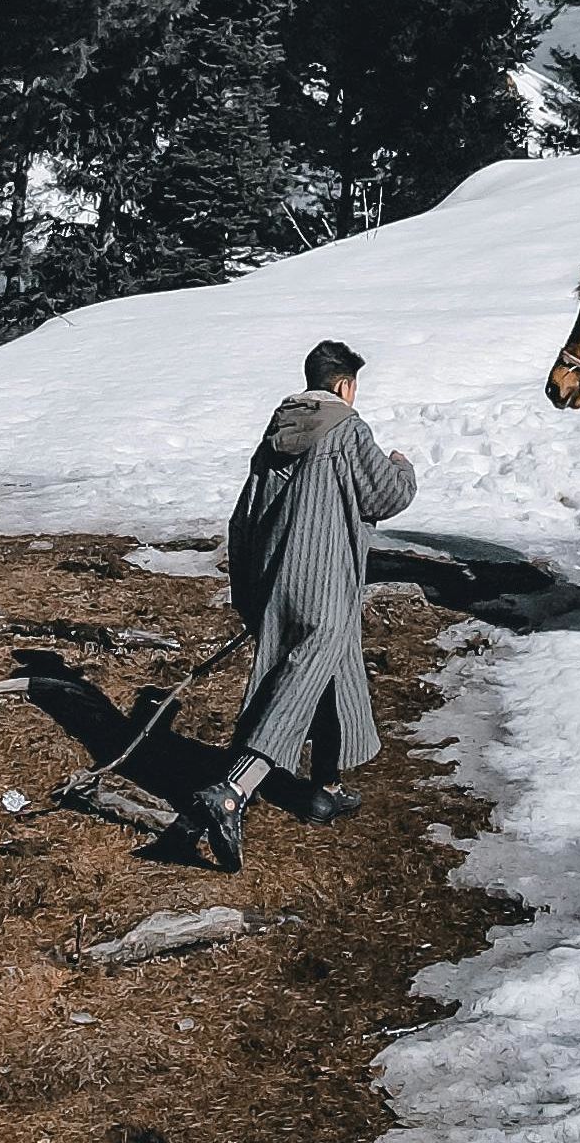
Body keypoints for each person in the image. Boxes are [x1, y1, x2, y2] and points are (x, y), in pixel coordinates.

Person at [183, 339, 416, 872]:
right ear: (343, 386)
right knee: (294, 685)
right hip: (327, 580)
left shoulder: (276, 434)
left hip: (279, 579)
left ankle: (324, 789)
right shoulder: (347, 428)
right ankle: (232, 793)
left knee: (336, 675)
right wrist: (403, 465)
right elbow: (385, 496)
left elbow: (243, 518)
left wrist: (250, 591)